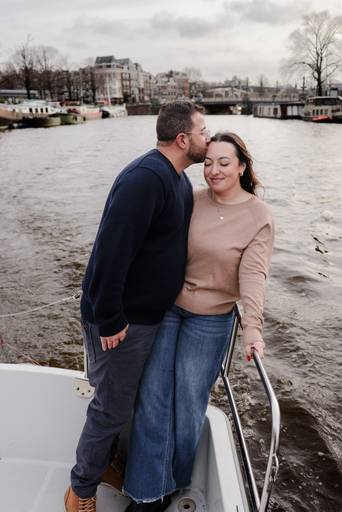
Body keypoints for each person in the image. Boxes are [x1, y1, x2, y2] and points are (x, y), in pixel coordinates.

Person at [64, 100, 211, 512]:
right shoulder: (145, 179)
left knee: (129, 402)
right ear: (183, 139)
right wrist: (110, 320)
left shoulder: (177, 179)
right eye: (203, 131)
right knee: (111, 408)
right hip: (122, 321)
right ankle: (81, 491)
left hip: (148, 317)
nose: (208, 138)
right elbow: (111, 254)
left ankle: (110, 467)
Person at [123, 132, 275, 511]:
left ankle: (174, 482)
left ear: (242, 166)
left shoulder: (259, 216)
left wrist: (252, 328)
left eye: (224, 162)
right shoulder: (189, 199)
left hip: (211, 320)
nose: (213, 170)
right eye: (208, 162)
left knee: (189, 408)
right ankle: (146, 493)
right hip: (169, 308)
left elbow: (254, 276)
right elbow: (158, 247)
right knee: (152, 397)